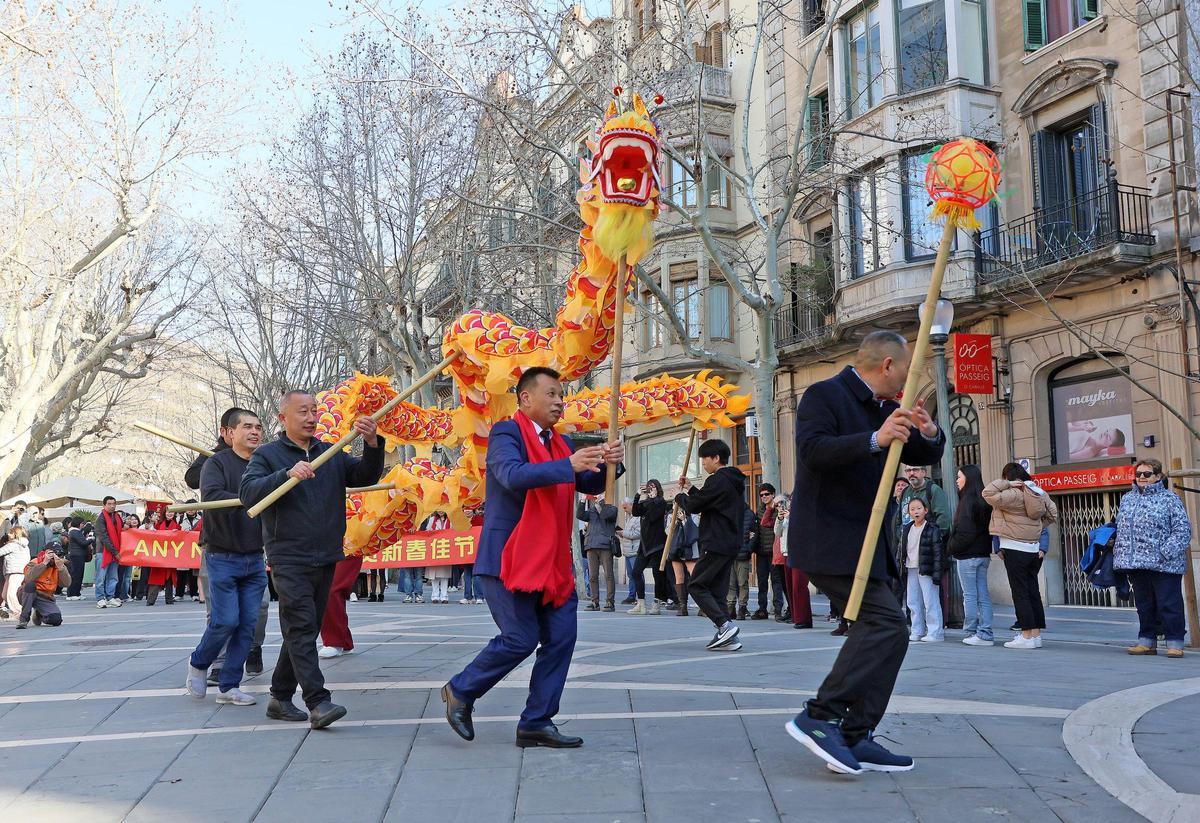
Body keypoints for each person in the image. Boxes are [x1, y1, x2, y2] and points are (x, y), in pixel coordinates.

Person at [786, 330, 945, 775]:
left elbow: (920, 450)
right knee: (886, 623)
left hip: (868, 541)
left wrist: (929, 433)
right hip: (827, 537)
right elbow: (813, 451)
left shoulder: (889, 408)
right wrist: (873, 440)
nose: (910, 378)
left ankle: (857, 732)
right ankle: (820, 716)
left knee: (888, 630)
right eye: (908, 367)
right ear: (889, 366)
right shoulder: (824, 395)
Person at [442, 367, 623, 749]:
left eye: (562, 395)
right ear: (526, 398)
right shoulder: (506, 433)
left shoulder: (563, 443)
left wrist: (611, 462)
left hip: (552, 562)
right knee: (520, 638)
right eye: (552, 394)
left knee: (562, 637)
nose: (561, 401)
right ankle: (460, 690)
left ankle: (537, 721)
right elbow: (512, 475)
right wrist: (569, 465)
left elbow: (589, 482)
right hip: (509, 556)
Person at [240, 389, 385, 730]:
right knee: (302, 625)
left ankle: (278, 696)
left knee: (303, 628)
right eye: (302, 411)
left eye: (314, 411)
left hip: (327, 552)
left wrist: (372, 444)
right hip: (288, 555)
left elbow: (364, 476)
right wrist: (286, 475)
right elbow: (248, 494)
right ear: (283, 418)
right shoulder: (268, 456)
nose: (310, 417)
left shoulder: (330, 451)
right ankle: (318, 701)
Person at [184, 409, 270, 707]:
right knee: (225, 620)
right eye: (247, 426)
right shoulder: (215, 463)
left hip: (254, 556)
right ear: (228, 432)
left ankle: (229, 685)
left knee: (247, 623)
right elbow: (212, 497)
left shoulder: (265, 463)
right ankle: (199, 661)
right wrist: (252, 496)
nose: (254, 432)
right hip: (221, 554)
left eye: (258, 427)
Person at [1113, 459, 1193, 658]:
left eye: (1147, 474)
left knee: (1169, 604)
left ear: (1157, 476)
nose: (1141, 477)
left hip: (1165, 565)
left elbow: (1183, 531)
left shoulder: (1170, 499)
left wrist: (1164, 553)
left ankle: (1175, 642)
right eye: (1138, 474)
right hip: (1136, 563)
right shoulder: (1127, 499)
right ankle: (1146, 642)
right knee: (1144, 605)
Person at [674, 438, 746, 650]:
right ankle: (729, 635)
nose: (703, 464)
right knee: (717, 590)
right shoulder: (732, 480)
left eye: (705, 459)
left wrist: (680, 497)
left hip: (716, 541)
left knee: (696, 585)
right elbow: (709, 500)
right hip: (729, 542)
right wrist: (691, 488)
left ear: (716, 458)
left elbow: (696, 506)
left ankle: (724, 625)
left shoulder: (718, 479)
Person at [983, 462, 1058, 650]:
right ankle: (1036, 635)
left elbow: (987, 493)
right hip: (1033, 549)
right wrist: (1036, 529)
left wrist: (1007, 484)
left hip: (1014, 548)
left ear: (1008, 476)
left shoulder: (1012, 494)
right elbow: (1053, 514)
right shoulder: (1039, 492)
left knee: (1020, 592)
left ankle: (1026, 635)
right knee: (1032, 591)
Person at [948, 465, 994, 646]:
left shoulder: (967, 501)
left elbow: (965, 533)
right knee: (983, 595)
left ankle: (972, 632)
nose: (957, 481)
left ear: (968, 478)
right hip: (983, 554)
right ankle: (986, 632)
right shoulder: (983, 500)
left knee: (970, 595)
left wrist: (950, 547)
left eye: (959, 477)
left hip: (968, 556)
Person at [901, 498, 945, 642]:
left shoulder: (932, 528)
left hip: (927, 568)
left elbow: (938, 552)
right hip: (910, 567)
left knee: (930, 600)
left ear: (926, 510)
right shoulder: (907, 528)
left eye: (919, 508)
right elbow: (901, 550)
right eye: (912, 509)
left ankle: (935, 632)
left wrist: (938, 572)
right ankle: (917, 630)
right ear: (909, 513)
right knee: (912, 601)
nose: (916, 511)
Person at [628, 480, 669, 615]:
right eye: (648, 487)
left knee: (657, 574)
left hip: (657, 544)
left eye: (653, 487)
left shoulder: (661, 502)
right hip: (645, 544)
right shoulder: (646, 502)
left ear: (658, 488)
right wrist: (638, 496)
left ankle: (656, 603)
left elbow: (652, 517)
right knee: (635, 572)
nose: (650, 489)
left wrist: (652, 499)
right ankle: (641, 604)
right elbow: (635, 511)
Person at [577, 494, 619, 612]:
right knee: (592, 576)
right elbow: (579, 515)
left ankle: (610, 602)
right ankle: (594, 602)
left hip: (605, 545)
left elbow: (605, 515)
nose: (596, 498)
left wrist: (601, 503)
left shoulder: (612, 509)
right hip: (591, 545)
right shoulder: (591, 511)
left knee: (608, 575)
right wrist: (582, 500)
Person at [16, 542, 71, 629]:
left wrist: (61, 569)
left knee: (56, 620)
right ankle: (24, 619)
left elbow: (66, 583)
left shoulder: (59, 565)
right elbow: (28, 579)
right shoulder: (34, 562)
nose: (55, 557)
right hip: (26, 593)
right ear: (46, 553)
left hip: (45, 597)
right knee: (30, 585)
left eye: (58, 554)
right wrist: (44, 563)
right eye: (52, 553)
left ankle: (40, 614)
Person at [778, 495, 813, 628]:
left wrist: (790, 518)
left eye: (792, 500)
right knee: (791, 587)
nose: (790, 503)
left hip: (801, 553)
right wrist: (780, 519)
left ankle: (804, 619)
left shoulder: (804, 514)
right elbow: (777, 532)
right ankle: (796, 616)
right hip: (787, 552)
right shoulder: (787, 515)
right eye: (789, 501)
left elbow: (803, 531)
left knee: (799, 586)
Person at [751, 484, 779, 620]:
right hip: (761, 551)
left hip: (774, 552)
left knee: (776, 581)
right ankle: (762, 609)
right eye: (761, 495)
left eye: (766, 494)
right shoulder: (759, 510)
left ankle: (778, 610)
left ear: (773, 494)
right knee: (762, 581)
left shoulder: (778, 509)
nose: (764, 497)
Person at [94, 496, 124, 609]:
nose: (112, 506)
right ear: (104, 505)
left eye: (114, 504)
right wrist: (115, 551)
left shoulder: (117, 517)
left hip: (115, 551)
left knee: (113, 576)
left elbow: (123, 532)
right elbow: (104, 537)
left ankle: (110, 597)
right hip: (103, 551)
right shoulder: (100, 519)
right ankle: (100, 598)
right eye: (109, 504)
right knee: (100, 577)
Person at [727, 506, 756, 620]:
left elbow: (755, 534)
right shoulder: (728, 511)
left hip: (743, 554)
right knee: (730, 583)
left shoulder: (749, 514)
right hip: (730, 554)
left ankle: (742, 609)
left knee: (742, 583)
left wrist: (749, 548)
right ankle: (730, 608)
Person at [1, 528, 31, 618]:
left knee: (10, 594)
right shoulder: (25, 545)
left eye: (10, 533)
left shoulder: (13, 545)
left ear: (15, 534)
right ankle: (19, 610)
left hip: (15, 572)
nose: (8, 535)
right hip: (15, 572)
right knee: (5, 594)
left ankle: (21, 613)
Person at [616, 498, 640, 605]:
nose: (624, 510)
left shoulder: (637, 517)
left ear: (631, 505)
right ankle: (632, 596)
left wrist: (623, 533)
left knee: (636, 574)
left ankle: (639, 596)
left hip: (634, 550)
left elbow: (637, 533)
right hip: (628, 551)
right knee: (631, 575)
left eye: (625, 507)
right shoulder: (629, 518)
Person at [64, 518, 92, 600]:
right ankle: (71, 594)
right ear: (78, 523)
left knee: (78, 575)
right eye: (82, 523)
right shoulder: (74, 531)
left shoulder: (74, 531)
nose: (83, 525)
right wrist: (91, 539)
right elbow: (83, 542)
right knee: (76, 575)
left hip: (78, 555)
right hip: (77, 556)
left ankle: (76, 593)